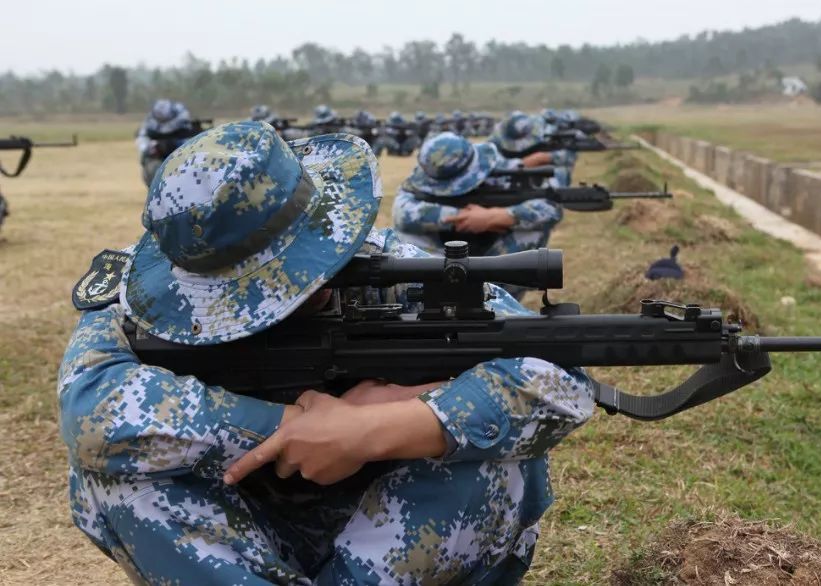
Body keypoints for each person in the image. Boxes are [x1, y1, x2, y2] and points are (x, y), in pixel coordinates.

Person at [59, 121, 593, 584]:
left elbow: (558, 373)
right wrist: (294, 424)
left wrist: (379, 428)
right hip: (245, 539)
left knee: (500, 458)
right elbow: (91, 409)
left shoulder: (393, 269)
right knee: (116, 476)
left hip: (386, 535)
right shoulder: (144, 294)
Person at [392, 133, 562, 298]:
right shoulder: (411, 198)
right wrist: (465, 216)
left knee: (530, 230)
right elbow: (404, 215)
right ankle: (449, 300)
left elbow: (550, 209)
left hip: (491, 263)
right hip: (441, 270)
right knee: (407, 243)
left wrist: (500, 215)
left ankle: (500, 299)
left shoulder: (489, 168)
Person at [488, 112, 577, 186]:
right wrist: (536, 159)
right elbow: (499, 171)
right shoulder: (493, 145)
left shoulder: (547, 134)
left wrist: (548, 157)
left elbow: (566, 163)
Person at [134, 98, 193, 185]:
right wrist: (150, 148)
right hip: (159, 158)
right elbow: (142, 140)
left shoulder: (183, 118)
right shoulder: (150, 122)